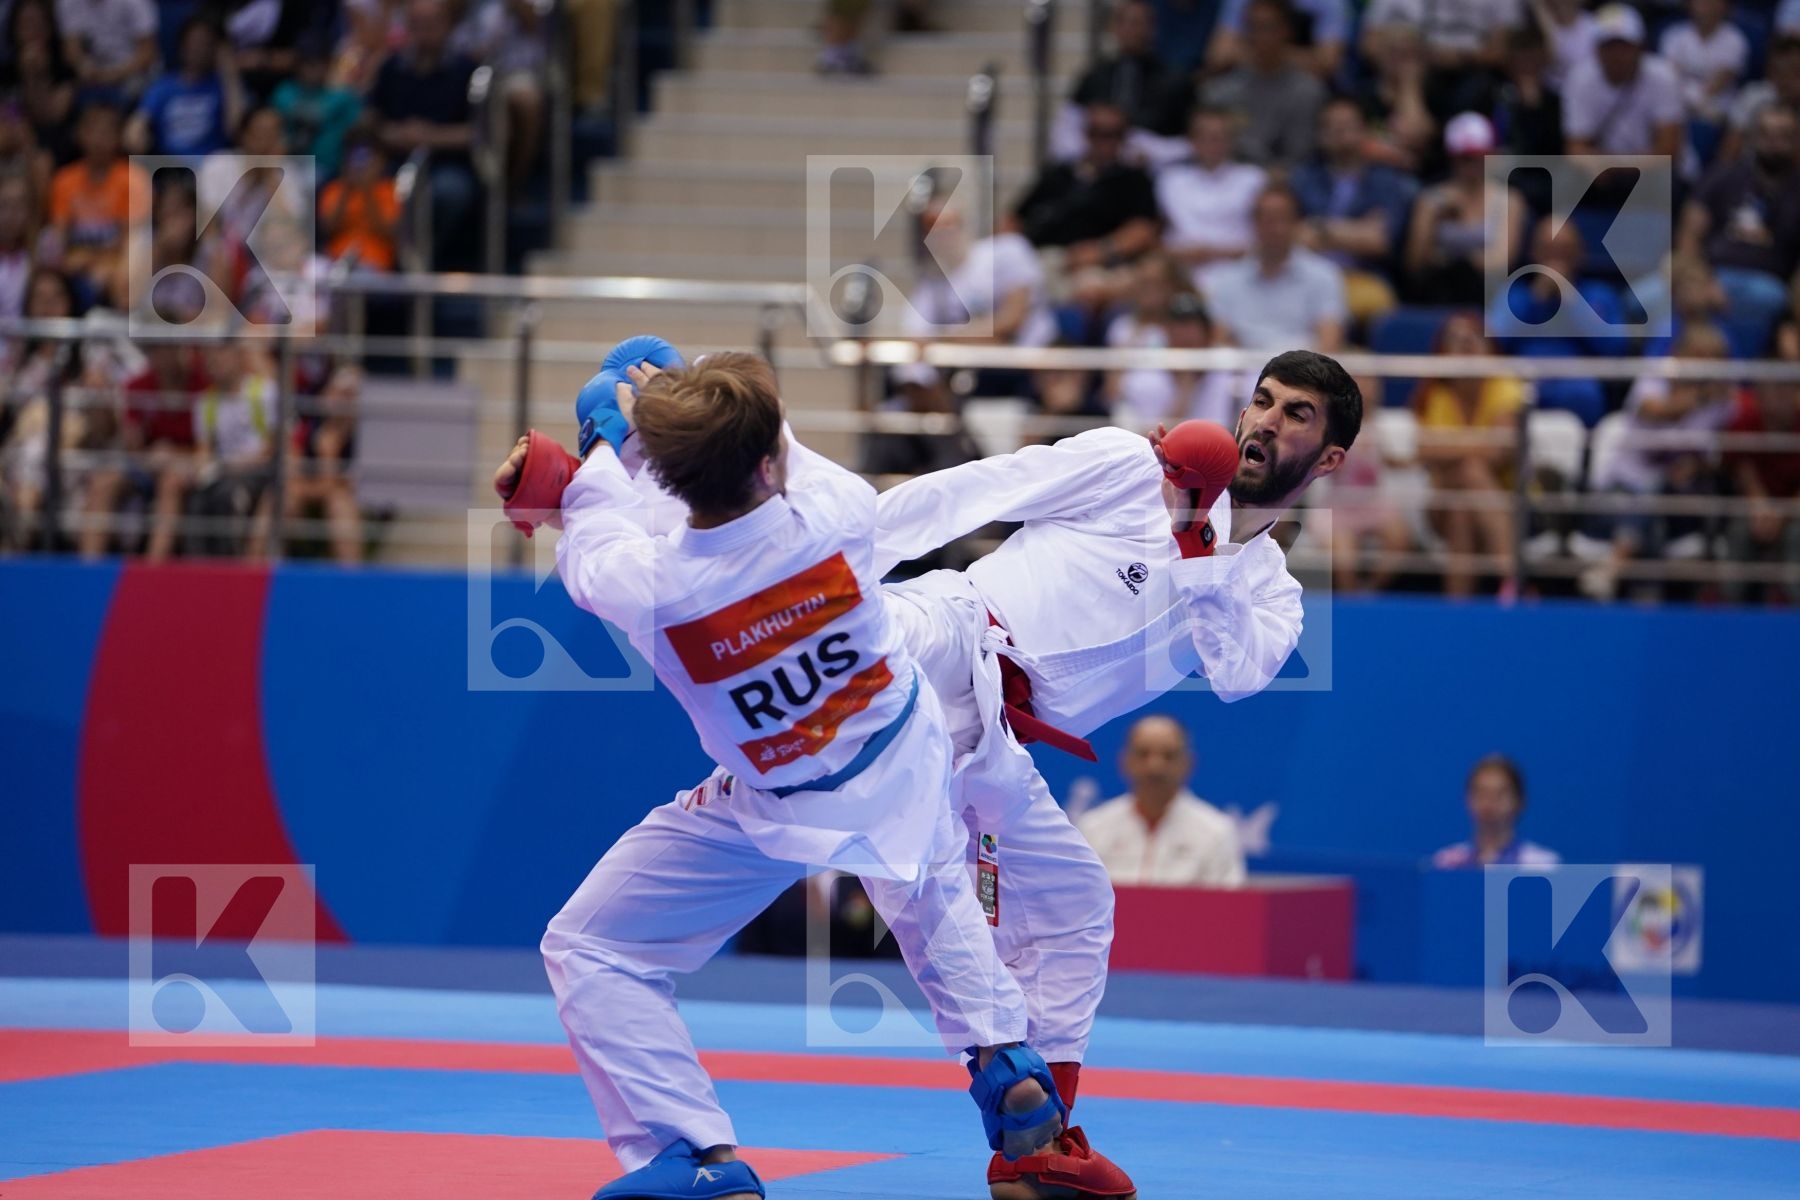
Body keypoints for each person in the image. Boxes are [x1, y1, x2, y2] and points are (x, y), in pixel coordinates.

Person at [506, 346, 1365, 1200]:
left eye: (1296, 415)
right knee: (899, 814)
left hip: (996, 738)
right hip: (952, 634)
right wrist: (831, 572)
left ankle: (1036, 1149)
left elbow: (1236, 671)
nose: (1265, 422)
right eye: (1263, 400)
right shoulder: (1124, 464)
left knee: (1069, 903)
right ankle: (1002, 1070)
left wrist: (1196, 546)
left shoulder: (1271, 593)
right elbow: (967, 493)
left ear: (1329, 458)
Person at [525, 346, 1066, 1200]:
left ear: (664, 473)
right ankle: (1005, 1058)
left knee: (594, 946)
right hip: (897, 743)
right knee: (926, 884)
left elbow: (593, 517)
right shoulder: (838, 511)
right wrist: (699, 383)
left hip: (779, 795)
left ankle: (695, 1157)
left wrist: (602, 442)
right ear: (769, 457)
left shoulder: (644, 586)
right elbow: (766, 451)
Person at [1579, 322, 1735, 602]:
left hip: (1680, 500)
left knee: (1659, 494)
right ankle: (1648, 606)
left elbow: (1716, 457)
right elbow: (1655, 412)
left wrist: (1695, 466)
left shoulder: (1721, 403)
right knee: (1652, 502)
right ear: (1678, 354)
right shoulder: (1653, 377)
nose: (1705, 368)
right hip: (1619, 493)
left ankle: (1614, 569)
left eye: (1713, 360)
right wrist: (1698, 397)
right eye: (1699, 357)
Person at [1413, 313, 1525, 598]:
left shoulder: (1505, 386)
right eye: (1456, 339)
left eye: (1473, 337)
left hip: (1506, 499)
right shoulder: (1436, 394)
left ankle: (1458, 609)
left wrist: (1452, 448)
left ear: (1490, 349)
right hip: (1441, 497)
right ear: (1443, 351)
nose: (1466, 344)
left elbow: (1499, 453)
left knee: (1463, 501)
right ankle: (1512, 581)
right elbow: (1425, 451)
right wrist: (1477, 446)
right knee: (1472, 470)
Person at [1676, 105, 1800, 358]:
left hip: (1768, 281)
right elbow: (1688, 235)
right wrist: (1701, 281)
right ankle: (1655, 385)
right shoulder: (1722, 175)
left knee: (1764, 298)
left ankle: (1735, 381)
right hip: (1707, 272)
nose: (1774, 143)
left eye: (1784, 135)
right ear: (1752, 137)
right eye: (1766, 134)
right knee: (1644, 300)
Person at [1076, 715, 1247, 887]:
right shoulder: (1093, 828)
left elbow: (1227, 907)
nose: (1155, 767)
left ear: (1188, 763)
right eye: (1143, 754)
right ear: (1125, 761)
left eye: (1168, 756)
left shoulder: (1216, 832)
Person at [1291, 96, 1417, 324]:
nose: (1339, 134)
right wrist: (1357, 232)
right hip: (1307, 277)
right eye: (1331, 127)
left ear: (1365, 131)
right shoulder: (1304, 179)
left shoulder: (1387, 181)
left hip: (1364, 277)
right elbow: (1293, 236)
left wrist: (1320, 229)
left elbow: (1379, 240)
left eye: (1347, 126)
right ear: (1320, 134)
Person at [1198, 183, 1347, 351]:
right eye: (1267, 220)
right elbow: (1220, 342)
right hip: (1245, 373)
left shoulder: (1324, 276)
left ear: (1296, 223)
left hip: (1304, 372)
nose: (1275, 228)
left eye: (1282, 219)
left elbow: (1329, 344)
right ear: (1254, 224)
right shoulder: (1227, 280)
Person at [1011, 102, 1160, 270]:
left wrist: (1101, 251)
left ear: (1123, 137)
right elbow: (1015, 217)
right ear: (1086, 133)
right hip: (1040, 254)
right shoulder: (1059, 173)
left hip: (1099, 264)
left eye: (1112, 134)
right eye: (1096, 132)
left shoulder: (1134, 180)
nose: (1103, 141)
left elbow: (1144, 230)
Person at [1404, 112, 1527, 307]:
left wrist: (1448, 258)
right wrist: (1433, 219)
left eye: (1476, 157)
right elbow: (1415, 263)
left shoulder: (1509, 200)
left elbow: (1501, 263)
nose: (1470, 165)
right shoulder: (1431, 200)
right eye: (1463, 158)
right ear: (1452, 158)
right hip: (1438, 293)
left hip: (1489, 294)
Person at [44, 97, 148, 308]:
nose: (99, 138)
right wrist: (76, 262)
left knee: (138, 251)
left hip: (116, 265)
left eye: (107, 131)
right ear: (80, 134)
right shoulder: (64, 180)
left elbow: (131, 240)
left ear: (119, 137)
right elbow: (59, 236)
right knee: (45, 244)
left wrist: (95, 262)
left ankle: (126, 318)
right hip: (77, 262)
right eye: (93, 129)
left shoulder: (134, 179)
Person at [1199, 0, 1326, 170]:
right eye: (1253, 27)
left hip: (1281, 184)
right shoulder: (1218, 92)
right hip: (1226, 181)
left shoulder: (1308, 93)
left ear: (1286, 31)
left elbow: (1301, 156)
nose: (1258, 36)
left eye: (1267, 27)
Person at [1155, 107, 1268, 283]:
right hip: (1181, 276)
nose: (1212, 144)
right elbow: (1158, 236)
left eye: (1219, 137)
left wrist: (1212, 253)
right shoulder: (1170, 180)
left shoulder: (1253, 179)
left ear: (1232, 141)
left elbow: (1267, 236)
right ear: (1192, 141)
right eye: (1204, 137)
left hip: (1242, 273)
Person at [1562, 4, 1685, 160]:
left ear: (1641, 47)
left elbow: (1668, 150)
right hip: (1605, 173)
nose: (1616, 56)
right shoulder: (1580, 78)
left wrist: (1614, 165)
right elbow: (1575, 148)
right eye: (1609, 47)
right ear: (1597, 50)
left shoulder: (1663, 76)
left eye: (1624, 46)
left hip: (1654, 173)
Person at [127, 16, 245, 161]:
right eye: (193, 41)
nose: (198, 48)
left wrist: (229, 74)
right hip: (170, 166)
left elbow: (235, 129)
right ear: (182, 45)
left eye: (205, 43)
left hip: (211, 166)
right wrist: (138, 138)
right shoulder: (163, 86)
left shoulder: (223, 86)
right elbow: (137, 126)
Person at [1432, 754, 1560, 868]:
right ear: (1468, 799)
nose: (1489, 803)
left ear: (1519, 800)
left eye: (1500, 794)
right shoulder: (1446, 864)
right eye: (1481, 793)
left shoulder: (1542, 865)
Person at [270, 33, 361, 181]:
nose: (312, 69)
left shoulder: (343, 97)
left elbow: (357, 136)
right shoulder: (284, 92)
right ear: (298, 64)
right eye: (307, 63)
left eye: (319, 62)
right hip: (287, 162)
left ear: (328, 64)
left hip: (325, 168)